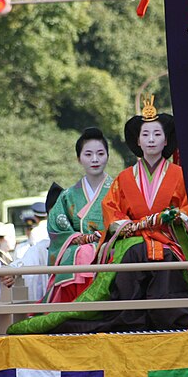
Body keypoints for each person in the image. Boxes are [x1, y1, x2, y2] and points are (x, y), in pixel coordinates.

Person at [7, 100, 188, 334]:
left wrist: (176, 217)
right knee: (133, 252)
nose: (151, 139)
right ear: (138, 141)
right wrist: (126, 226)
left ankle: (171, 314)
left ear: (166, 140)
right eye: (146, 134)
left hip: (171, 238)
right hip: (133, 236)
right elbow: (112, 211)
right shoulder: (124, 178)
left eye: (157, 134)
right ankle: (128, 316)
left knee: (164, 255)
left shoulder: (181, 175)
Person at [43, 128, 113, 303]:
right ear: (79, 158)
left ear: (107, 156)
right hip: (79, 251)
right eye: (88, 154)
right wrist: (81, 239)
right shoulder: (68, 195)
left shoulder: (119, 189)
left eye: (100, 153)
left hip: (110, 248)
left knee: (89, 253)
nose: (95, 159)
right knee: (82, 253)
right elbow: (56, 226)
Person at [10, 183, 64, 301]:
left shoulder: (86, 246)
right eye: (53, 216)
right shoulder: (42, 248)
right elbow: (21, 265)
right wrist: (9, 272)